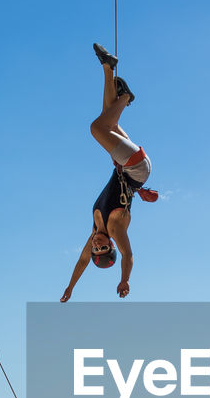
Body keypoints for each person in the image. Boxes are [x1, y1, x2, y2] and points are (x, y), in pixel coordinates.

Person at [60, 43, 157, 302]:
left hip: (125, 166)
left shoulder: (94, 232)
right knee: (97, 127)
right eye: (104, 248)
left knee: (107, 121)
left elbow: (81, 261)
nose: (97, 245)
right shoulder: (115, 229)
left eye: (96, 249)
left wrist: (71, 287)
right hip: (135, 169)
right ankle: (126, 97)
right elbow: (128, 255)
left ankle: (107, 67)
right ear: (110, 245)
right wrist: (124, 279)